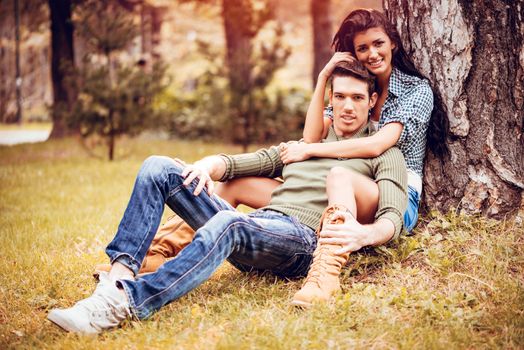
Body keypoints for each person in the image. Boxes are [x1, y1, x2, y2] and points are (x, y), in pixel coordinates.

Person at [47, 60, 407, 334]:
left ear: (372, 100)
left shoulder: (383, 153)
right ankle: (116, 280)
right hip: (259, 225)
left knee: (230, 221)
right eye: (340, 96)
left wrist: (363, 234)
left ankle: (129, 302)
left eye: (357, 98)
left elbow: (393, 212)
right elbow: (249, 162)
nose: (347, 106)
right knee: (159, 167)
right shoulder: (308, 145)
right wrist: (207, 165)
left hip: (299, 243)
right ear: (330, 99)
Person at [96, 8, 447, 276]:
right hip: (334, 180)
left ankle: (324, 266)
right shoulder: (352, 88)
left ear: (393, 44)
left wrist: (308, 150)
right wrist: (324, 76)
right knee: (235, 183)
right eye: (362, 48)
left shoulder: (414, 91)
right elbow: (312, 134)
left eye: (378, 44)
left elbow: (375, 146)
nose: (371, 54)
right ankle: (156, 253)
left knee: (336, 179)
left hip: (389, 191)